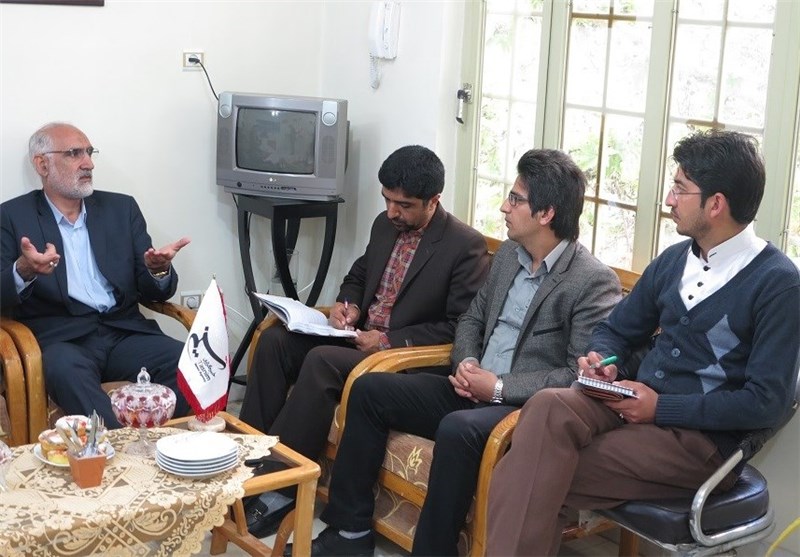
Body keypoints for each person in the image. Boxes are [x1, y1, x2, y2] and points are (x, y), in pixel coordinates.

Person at [290, 148, 623, 556]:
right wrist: (466, 362)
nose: (504, 207)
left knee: (457, 429)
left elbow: (576, 375)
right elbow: (470, 319)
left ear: (546, 214)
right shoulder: (509, 257)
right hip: (468, 385)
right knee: (370, 390)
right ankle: (349, 533)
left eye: (515, 199)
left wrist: (497, 387)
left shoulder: (592, 281)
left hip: (521, 409)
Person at [486, 130, 800, 556]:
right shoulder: (673, 260)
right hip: (629, 407)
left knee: (532, 469)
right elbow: (616, 330)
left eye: (680, 189)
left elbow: (766, 402)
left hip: (700, 443)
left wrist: (661, 408)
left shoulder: (778, 283)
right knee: (546, 407)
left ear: (716, 204)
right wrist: (603, 359)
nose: (669, 199)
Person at [238, 144, 490, 537]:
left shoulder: (464, 246)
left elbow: (459, 326)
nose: (392, 212)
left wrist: (388, 341)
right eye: (387, 199)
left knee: (321, 361)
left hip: (401, 360)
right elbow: (359, 275)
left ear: (434, 200)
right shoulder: (384, 225)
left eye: (404, 205)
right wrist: (349, 305)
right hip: (356, 338)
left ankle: (280, 487)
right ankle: (244, 463)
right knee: (274, 341)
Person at [0, 122, 192, 428]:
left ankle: (165, 446)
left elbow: (153, 290)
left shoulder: (121, 209)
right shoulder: (12, 216)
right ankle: (120, 446)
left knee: (191, 364)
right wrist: (23, 270)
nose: (88, 163)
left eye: (89, 152)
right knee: (65, 370)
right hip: (63, 340)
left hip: (124, 332)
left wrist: (158, 270)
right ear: (42, 164)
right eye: (74, 153)